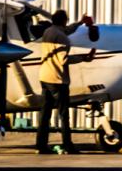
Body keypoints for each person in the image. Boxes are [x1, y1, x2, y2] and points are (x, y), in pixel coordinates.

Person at [36, 9, 92, 154]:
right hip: (58, 80)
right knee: (63, 113)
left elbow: (66, 30)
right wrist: (83, 58)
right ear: (64, 20)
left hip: (45, 77)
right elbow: (63, 60)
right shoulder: (62, 37)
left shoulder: (49, 31)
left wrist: (80, 22)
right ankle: (68, 145)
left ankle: (41, 145)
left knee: (45, 113)